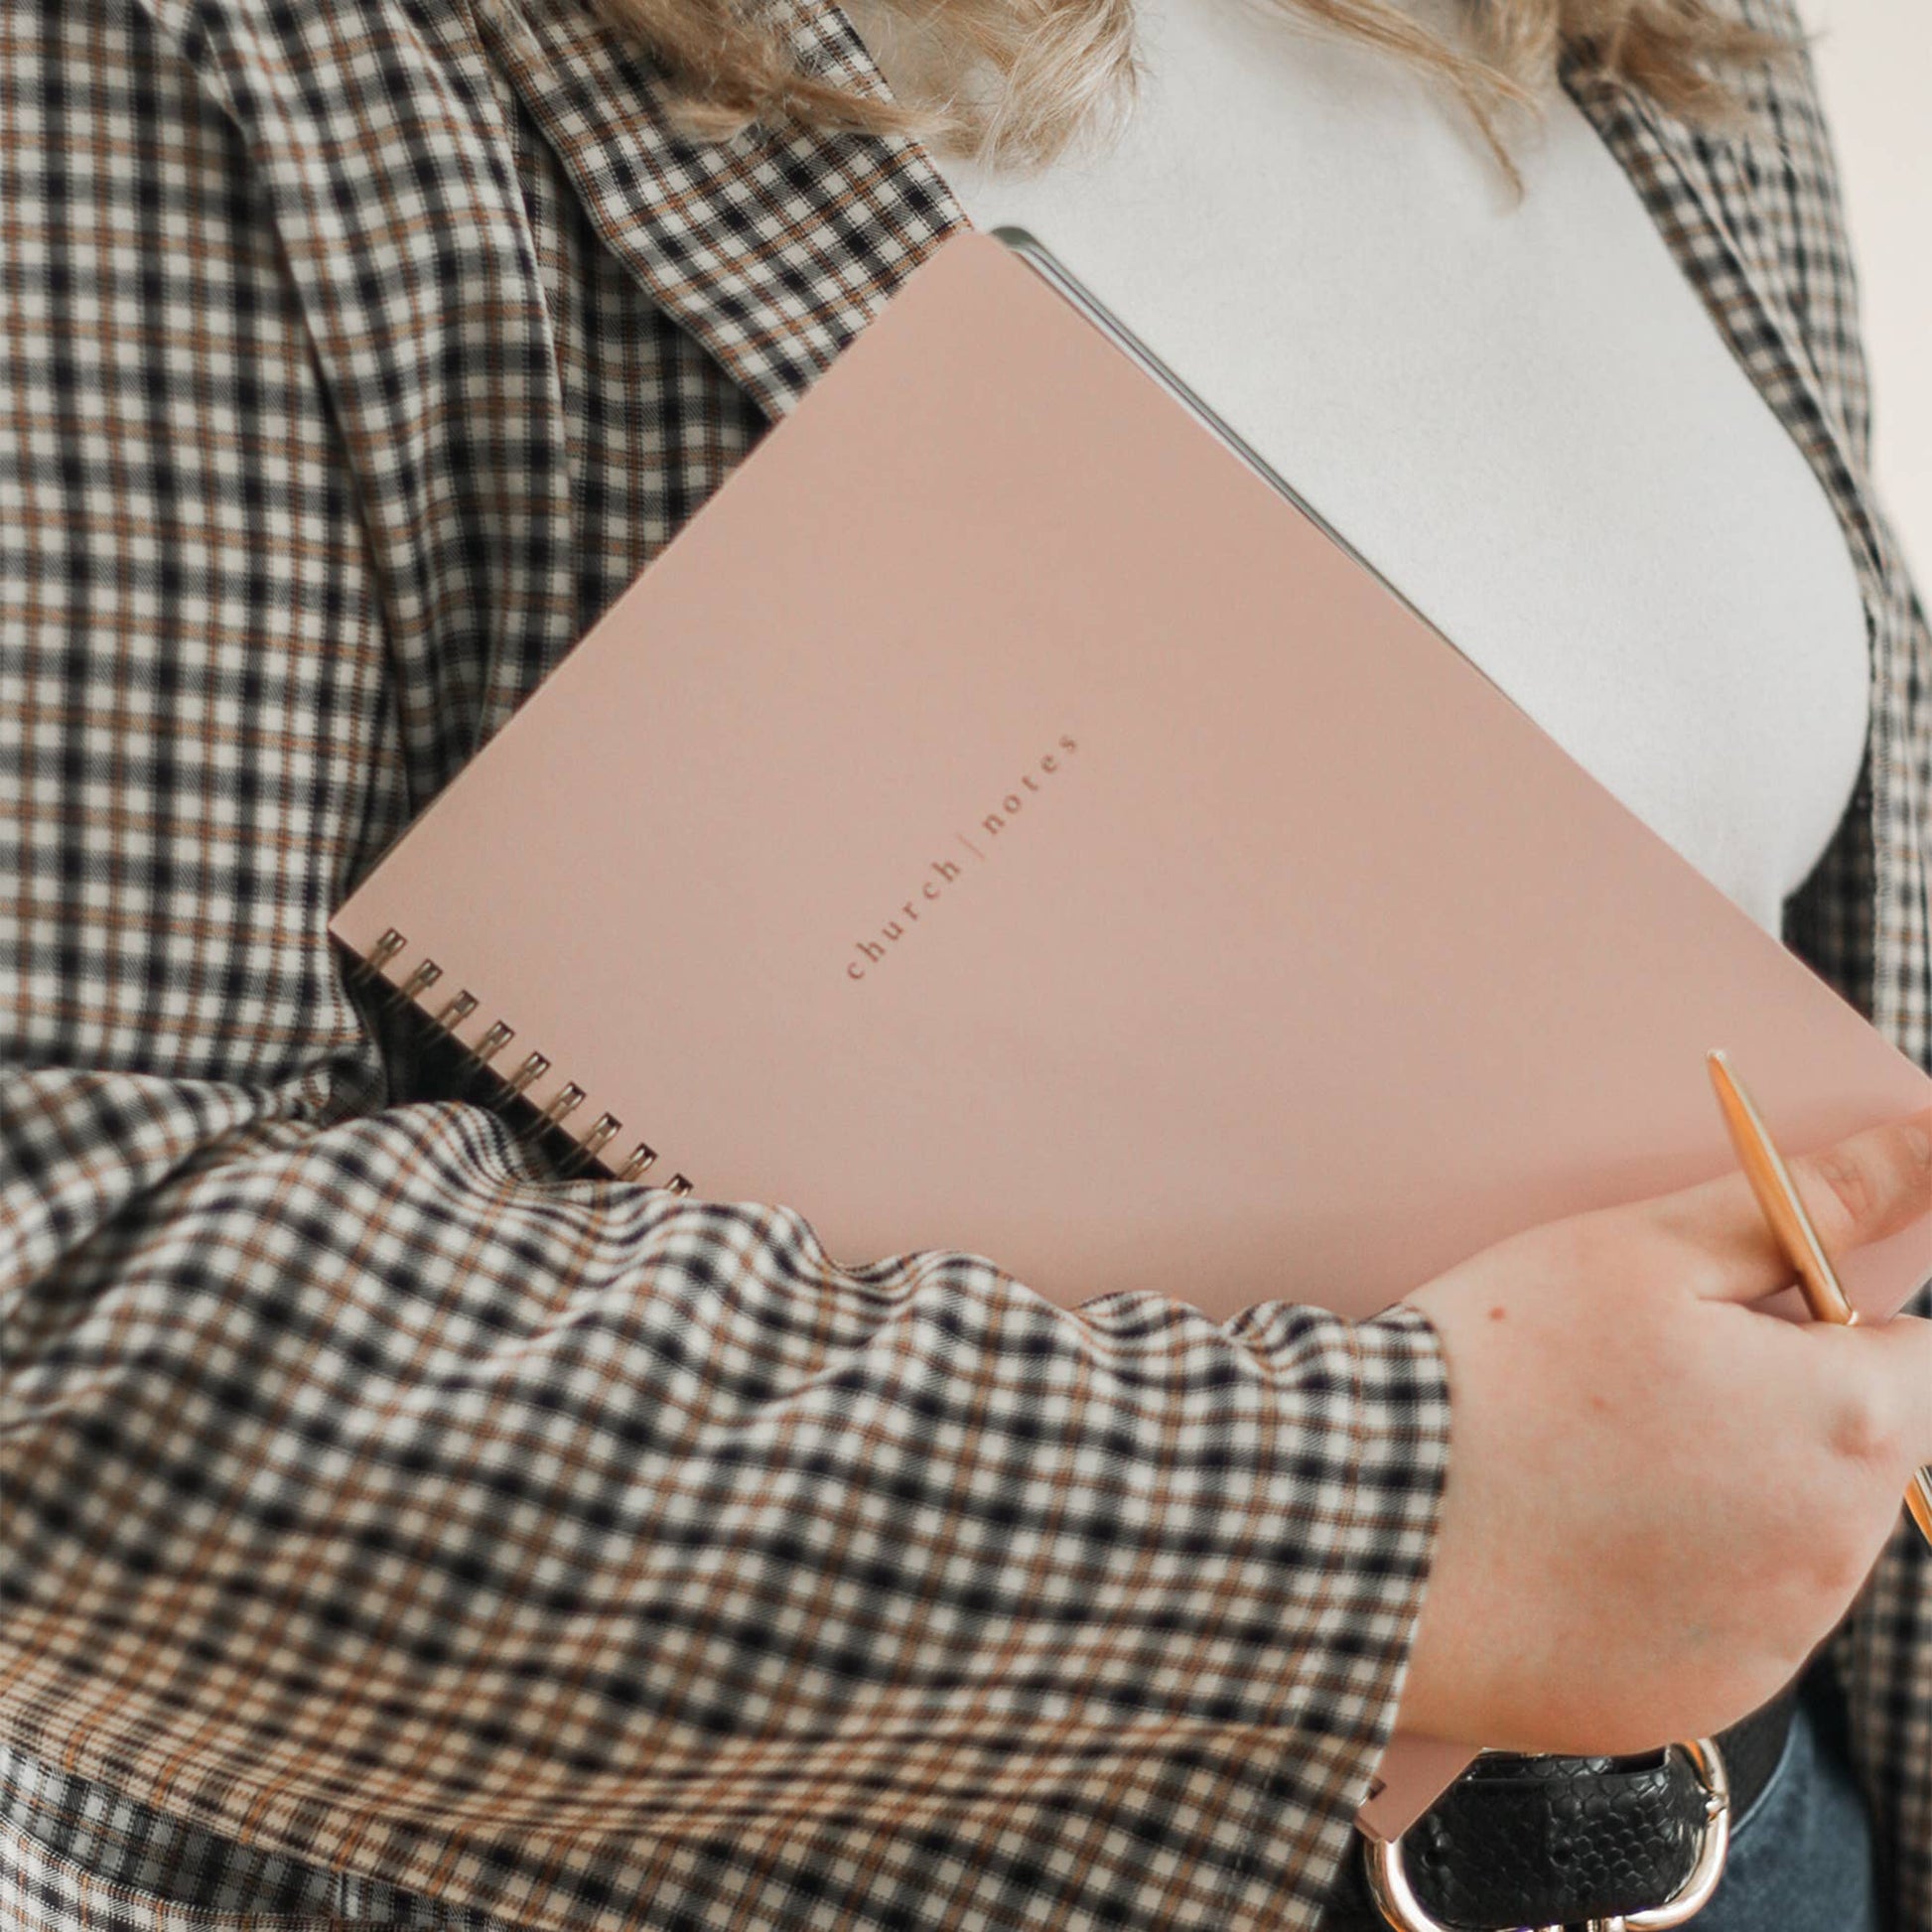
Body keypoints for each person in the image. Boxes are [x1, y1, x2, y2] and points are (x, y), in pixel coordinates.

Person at [0, 0, 1925, 1927]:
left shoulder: (1659, 34)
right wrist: (1387, 1520)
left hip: (1770, 1830)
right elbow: (61, 1307)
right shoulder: (221, 52)